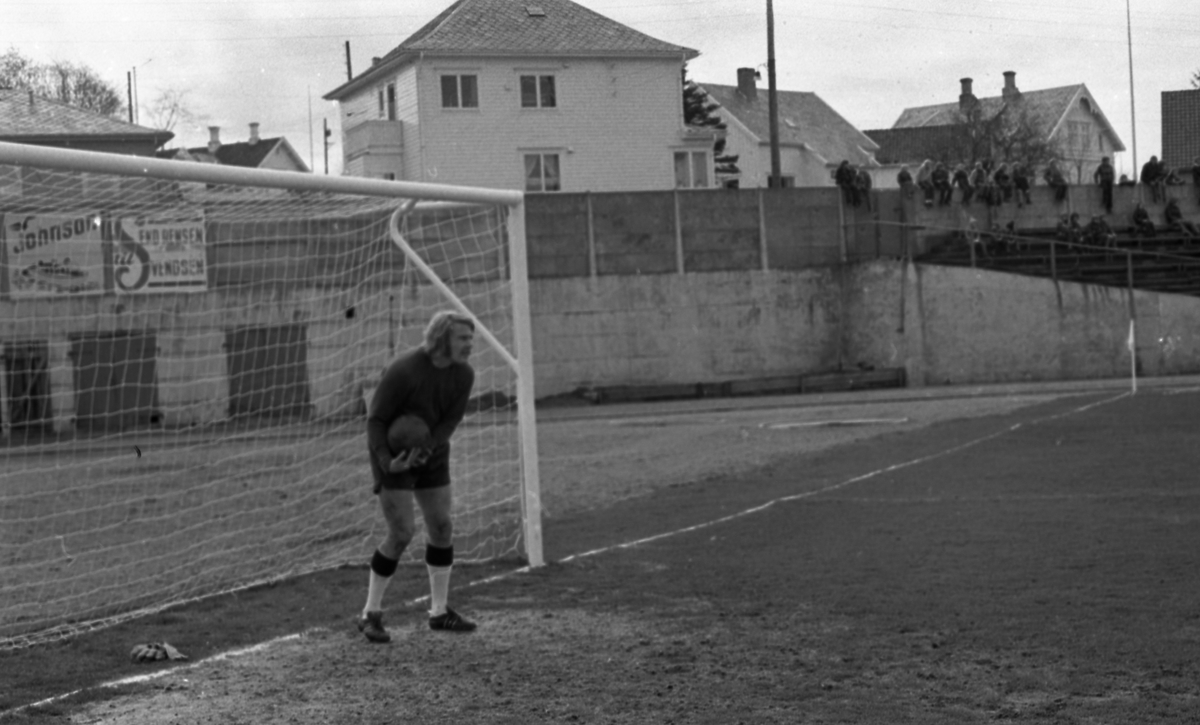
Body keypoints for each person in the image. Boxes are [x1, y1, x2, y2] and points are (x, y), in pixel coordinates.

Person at [358, 310, 479, 643]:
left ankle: (439, 612)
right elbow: (375, 421)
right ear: (442, 338)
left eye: (471, 338)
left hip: (432, 451)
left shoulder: (464, 375)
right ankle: (370, 613)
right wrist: (387, 461)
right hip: (392, 455)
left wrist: (428, 449)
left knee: (442, 526)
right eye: (463, 338)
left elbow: (449, 422)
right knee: (401, 532)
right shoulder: (405, 370)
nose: (470, 344)